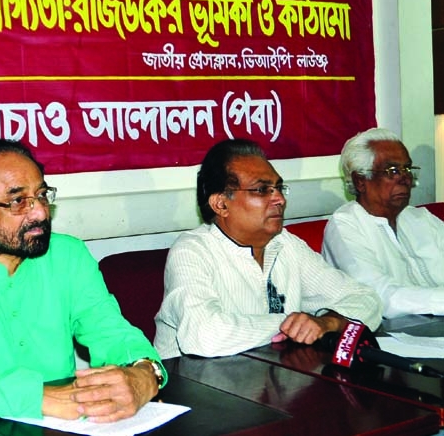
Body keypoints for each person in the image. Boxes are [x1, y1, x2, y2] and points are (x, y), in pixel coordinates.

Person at [0, 139, 166, 423]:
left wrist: (144, 372)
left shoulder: (68, 255)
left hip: (68, 430)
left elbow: (111, 332)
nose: (39, 212)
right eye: (18, 201)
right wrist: (35, 398)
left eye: (41, 195)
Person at [154, 139, 382, 358]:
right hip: (195, 386)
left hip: (269, 378)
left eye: (279, 188)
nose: (280, 199)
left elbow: (366, 299)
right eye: (262, 190)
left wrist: (328, 322)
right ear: (221, 204)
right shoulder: (192, 250)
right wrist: (290, 323)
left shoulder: (285, 244)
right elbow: (203, 335)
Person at [323, 127, 444, 318]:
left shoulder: (421, 218)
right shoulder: (346, 224)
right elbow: (377, 295)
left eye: (407, 169)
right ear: (360, 181)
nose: (405, 178)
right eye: (393, 170)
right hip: (391, 336)